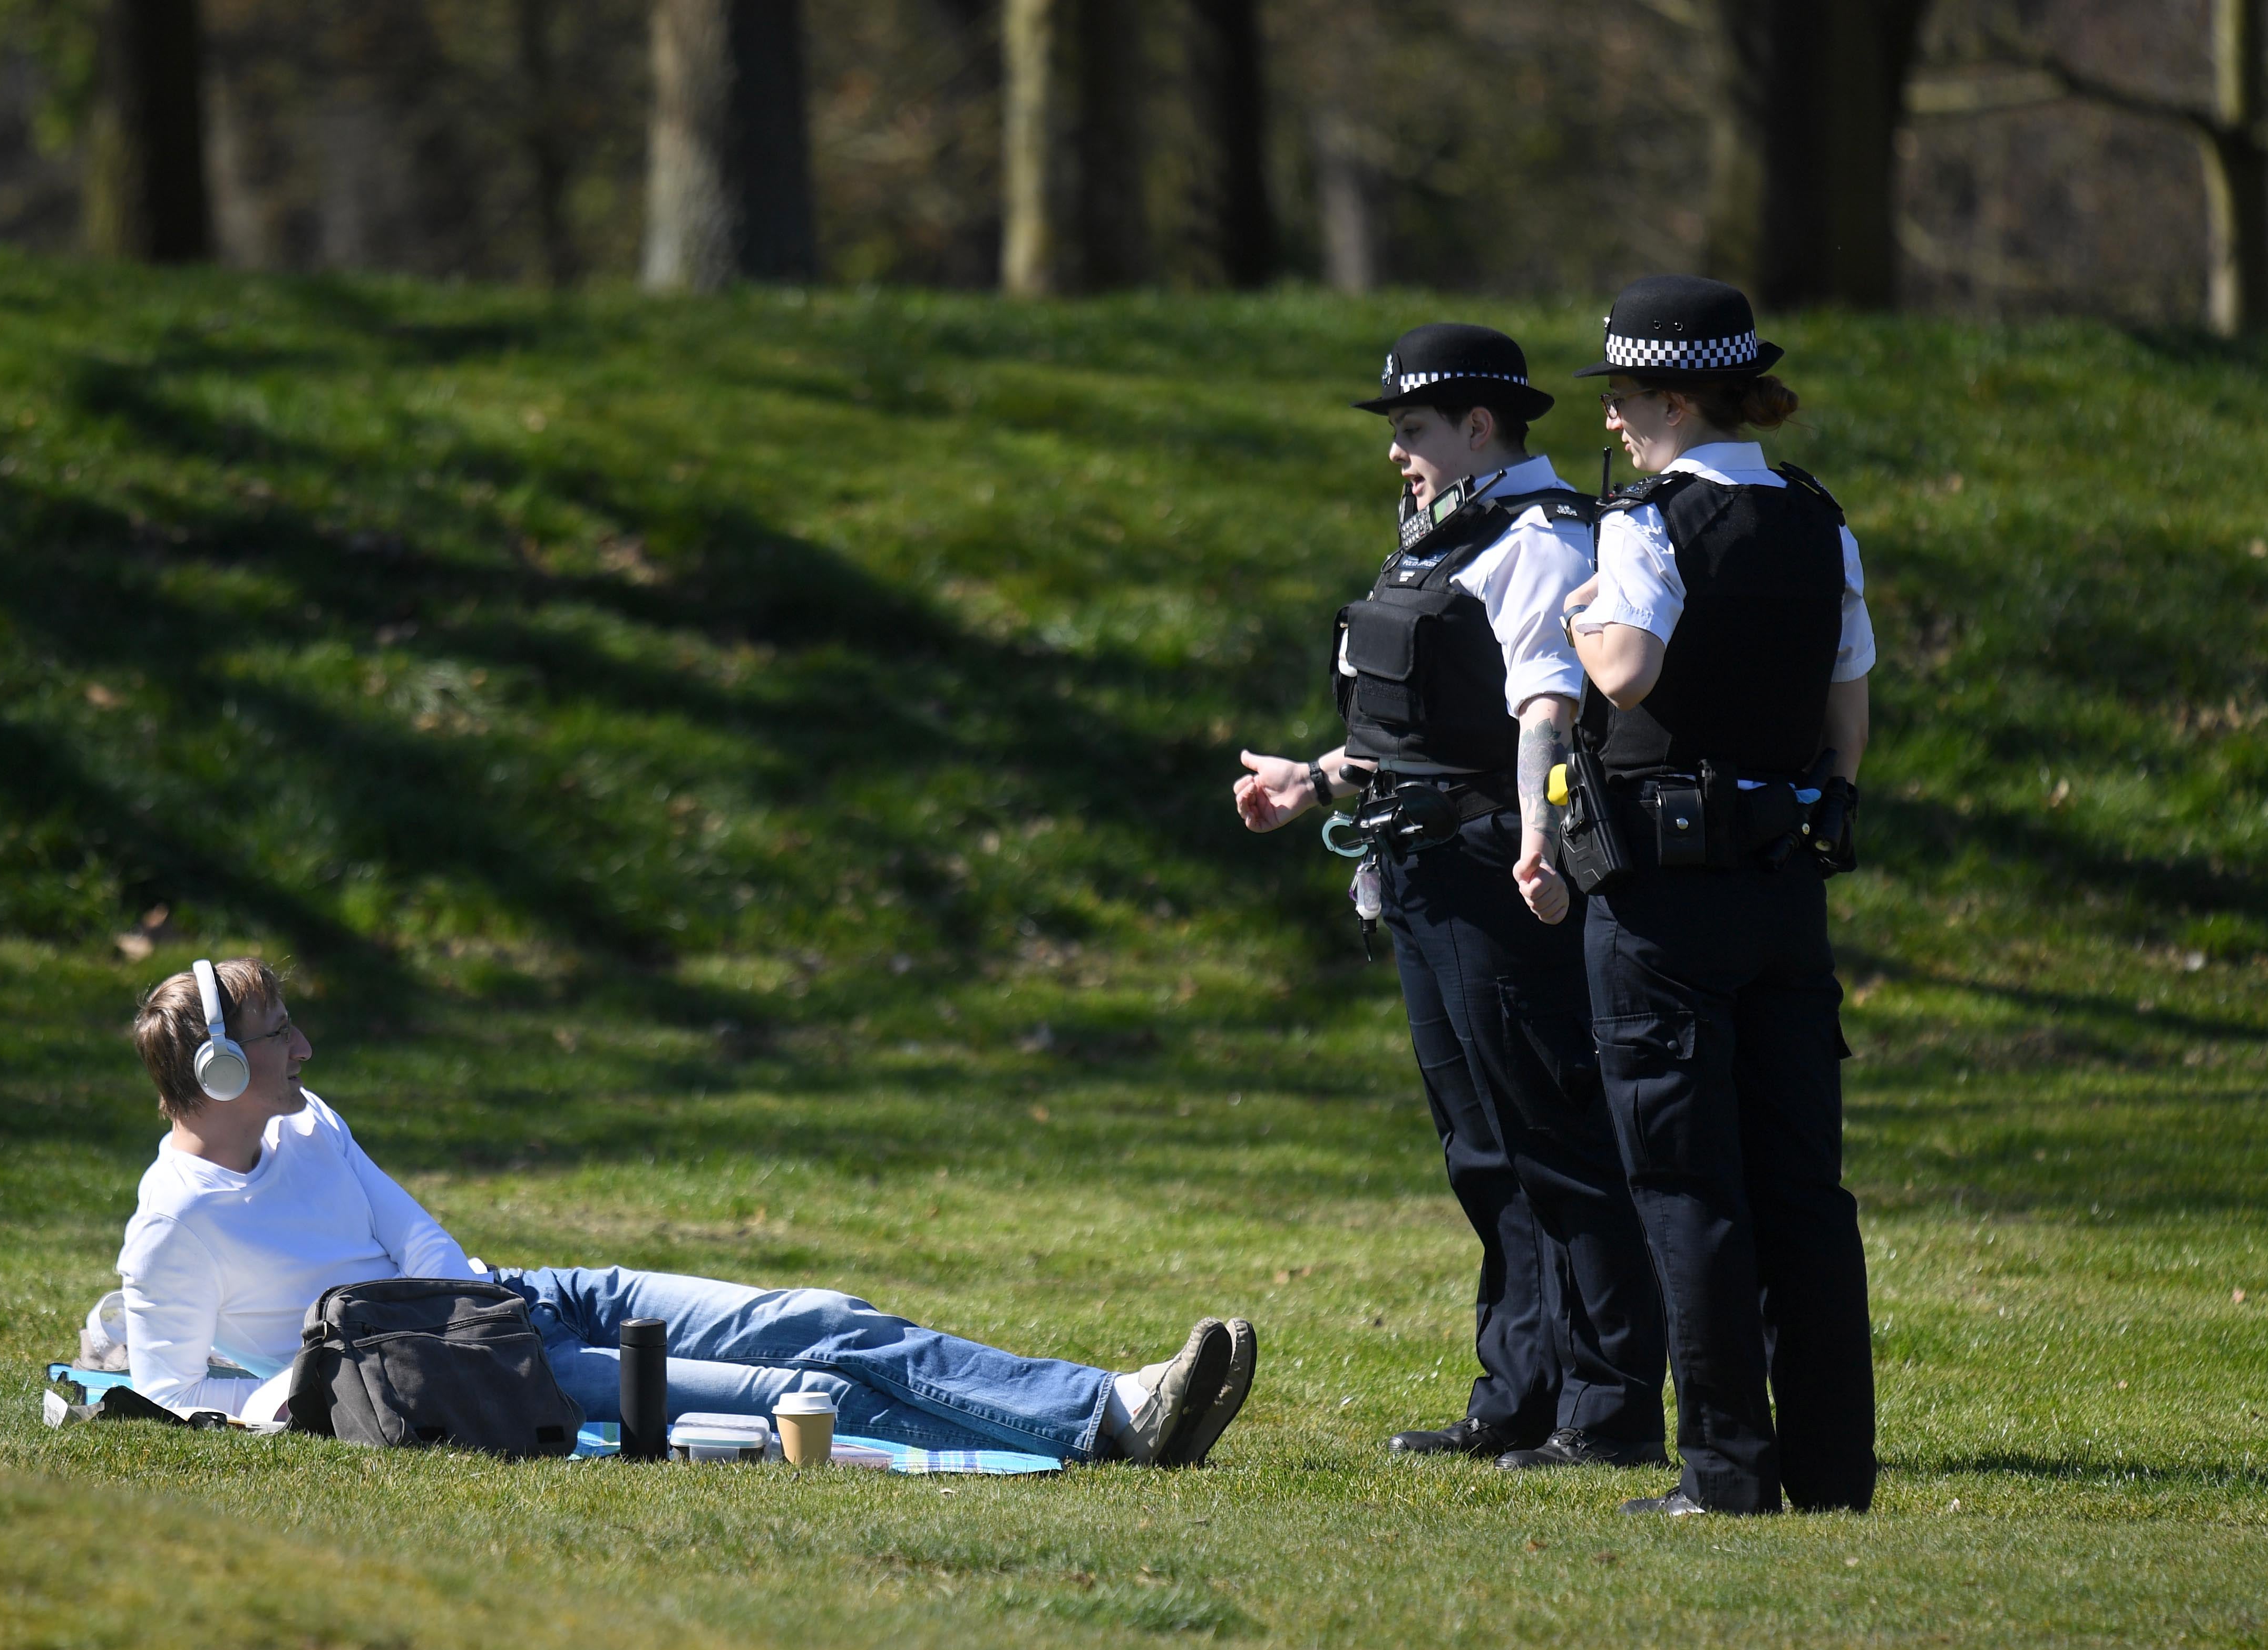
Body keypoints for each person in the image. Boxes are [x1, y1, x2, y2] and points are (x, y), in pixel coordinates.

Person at [115, 957, 1257, 1467]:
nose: (303, 1045)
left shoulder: (310, 1122)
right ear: (218, 1070)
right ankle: (1108, 1429)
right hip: (478, 1374)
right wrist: (286, 1392)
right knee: (795, 1398)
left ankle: (1109, 1401)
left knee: (816, 1315)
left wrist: (477, 1293)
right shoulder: (175, 1221)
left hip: (516, 1301)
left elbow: (415, 1233)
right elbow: (171, 1393)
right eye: (277, 1034)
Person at [1234, 324, 1666, 1472]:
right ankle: (1515, 1396)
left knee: (1557, 1139)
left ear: (1481, 427)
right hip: (1420, 873)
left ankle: (1611, 1410)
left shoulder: (1536, 537)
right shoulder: (1438, 540)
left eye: (1412, 430)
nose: (1397, 454)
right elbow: (1415, 724)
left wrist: (1534, 841)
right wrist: (1311, 776)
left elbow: (1548, 710)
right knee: (1481, 1148)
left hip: (1494, 876)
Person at [1562, 274, 1876, 1517]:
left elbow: (1628, 675)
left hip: (1664, 898)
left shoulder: (1646, 522)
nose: (1616, 425)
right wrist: (1820, 803)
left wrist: (1588, 616)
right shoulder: (1814, 515)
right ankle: (1834, 1471)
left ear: (1679, 397)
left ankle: (1727, 1472)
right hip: (1783, 880)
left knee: (1689, 1184)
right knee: (1804, 1183)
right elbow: (1846, 707)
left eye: (1628, 399)